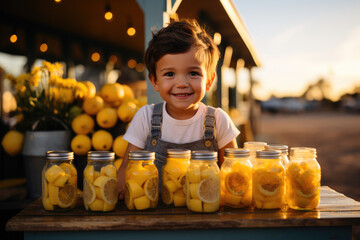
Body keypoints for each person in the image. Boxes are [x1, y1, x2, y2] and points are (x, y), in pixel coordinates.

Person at [118, 19, 239, 199]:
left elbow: (235, 175)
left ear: (209, 81)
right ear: (155, 81)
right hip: (154, 215)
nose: (181, 83)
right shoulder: (146, 117)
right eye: (170, 74)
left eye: (193, 73)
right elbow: (126, 171)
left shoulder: (219, 121)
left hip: (204, 215)